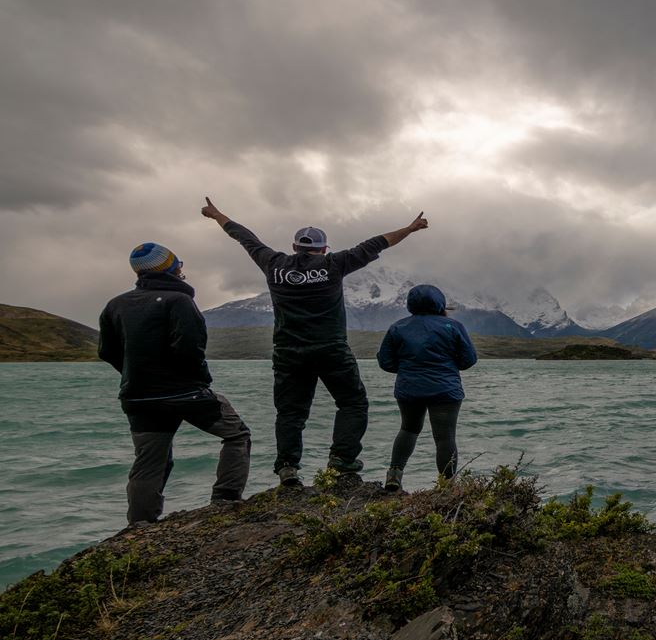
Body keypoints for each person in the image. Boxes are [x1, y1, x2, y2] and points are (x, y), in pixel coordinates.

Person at [200, 197, 430, 486]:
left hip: (288, 353)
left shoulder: (273, 264)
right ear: (323, 248)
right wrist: (409, 228)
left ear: (295, 247)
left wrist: (217, 214)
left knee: (290, 412)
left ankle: (287, 467)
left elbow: (245, 238)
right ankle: (342, 460)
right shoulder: (334, 264)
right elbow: (376, 244)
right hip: (331, 349)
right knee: (352, 403)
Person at [98, 243, 252, 524]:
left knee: (149, 462)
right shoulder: (178, 301)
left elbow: (106, 352)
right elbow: (190, 348)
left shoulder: (115, 305)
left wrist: (137, 374)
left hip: (138, 396)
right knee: (236, 435)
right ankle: (225, 500)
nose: (181, 267)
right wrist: (198, 380)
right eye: (178, 263)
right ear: (171, 268)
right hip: (186, 392)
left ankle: (140, 525)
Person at [377, 285, 477, 490]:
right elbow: (468, 360)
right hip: (446, 390)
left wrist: (408, 370)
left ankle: (394, 475)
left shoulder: (398, 327)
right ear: (440, 303)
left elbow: (386, 362)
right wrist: (447, 367)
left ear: (410, 304)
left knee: (408, 429)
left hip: (409, 388)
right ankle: (447, 486)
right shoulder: (454, 326)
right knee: (445, 437)